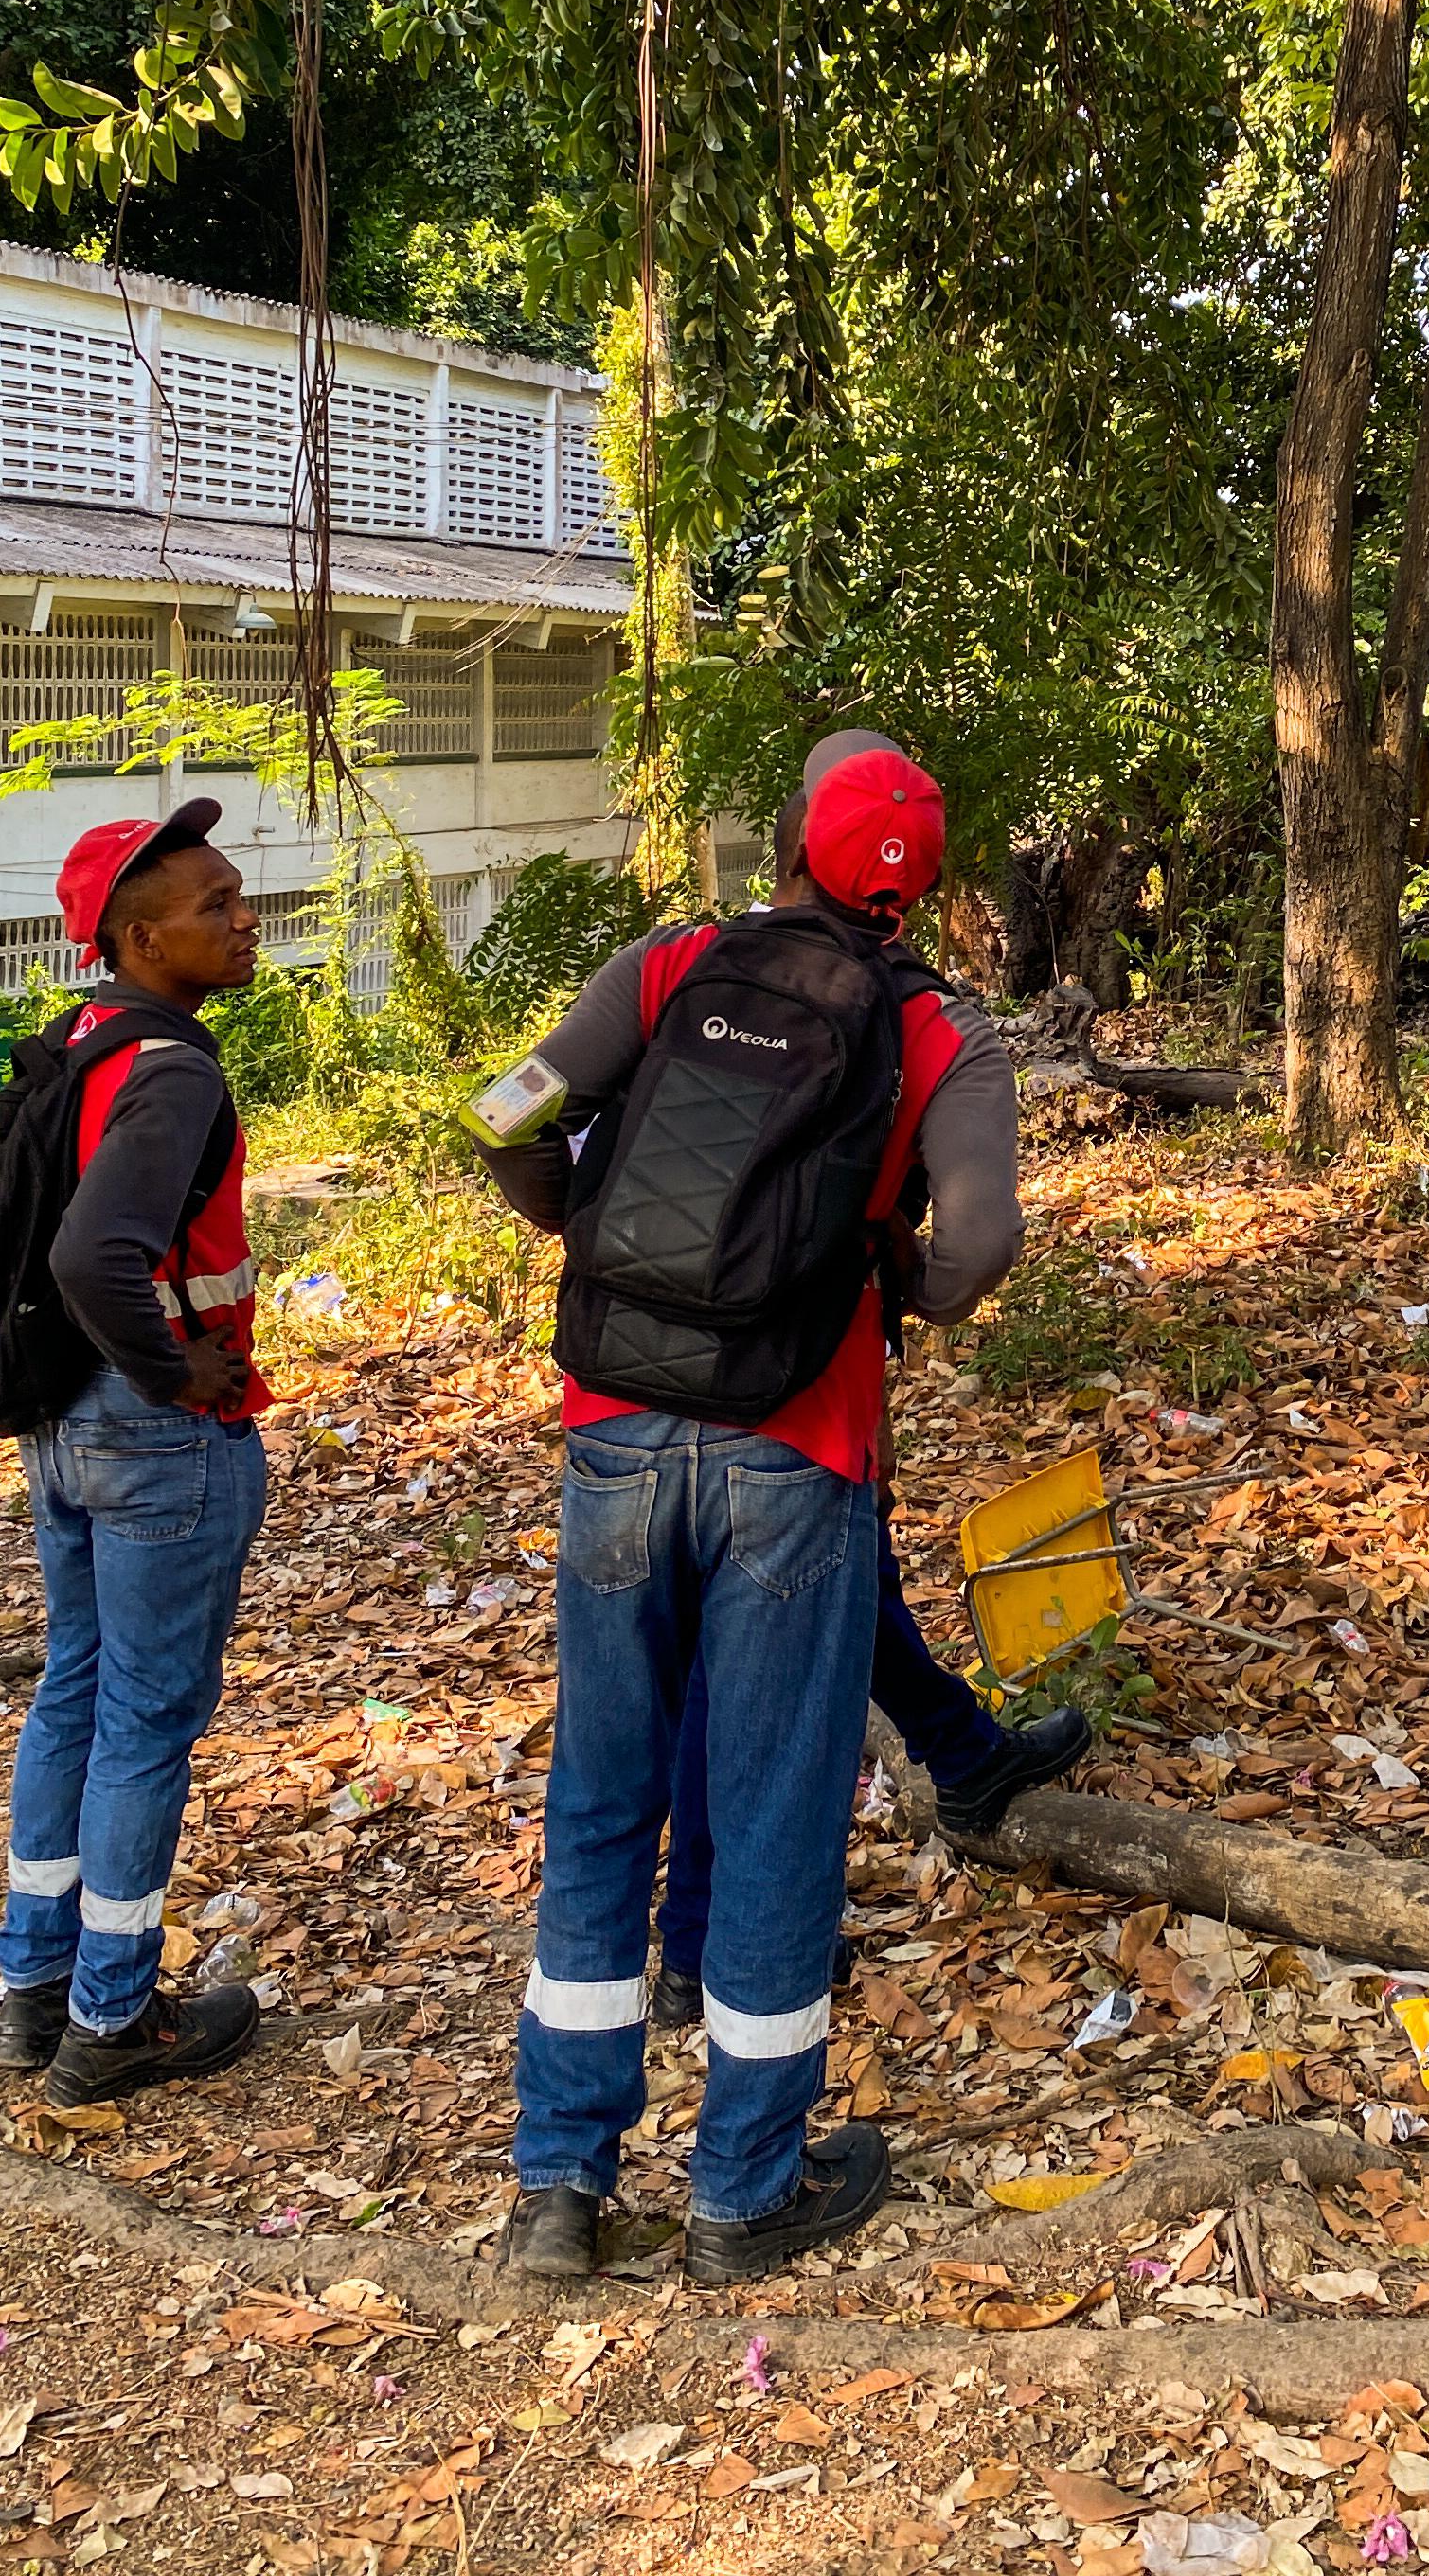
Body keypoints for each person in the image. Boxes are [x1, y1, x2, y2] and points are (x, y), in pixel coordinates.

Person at [473, 727, 1027, 2283]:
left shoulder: (665, 969)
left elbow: (498, 1109)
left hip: (616, 1434)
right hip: (801, 1453)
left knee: (599, 1796)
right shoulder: (938, 1035)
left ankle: (558, 2188)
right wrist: (882, 1282)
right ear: (915, 891)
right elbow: (976, 1247)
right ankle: (740, 2192)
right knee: (775, 1808)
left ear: (783, 840)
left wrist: (584, 1220)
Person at [0, 801, 271, 2105]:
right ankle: (110, 2021)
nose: (241, 916)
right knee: (147, 1720)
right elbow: (94, 1253)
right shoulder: (173, 1068)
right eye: (212, 905)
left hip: (64, 1425)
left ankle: (32, 1989)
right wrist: (178, 1370)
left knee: (77, 1693)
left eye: (236, 893)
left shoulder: (81, 1044)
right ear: (140, 937)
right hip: (154, 1433)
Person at [647, 1505, 1092, 2031]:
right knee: (825, 1563)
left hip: (647, 1450)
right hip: (786, 1444)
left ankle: (696, 1944)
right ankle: (730, 1938)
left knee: (745, 1606)